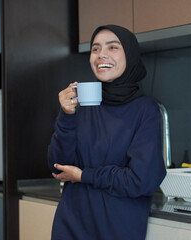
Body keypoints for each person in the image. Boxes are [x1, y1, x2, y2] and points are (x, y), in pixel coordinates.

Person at [48, 24, 166, 240]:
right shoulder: (81, 103)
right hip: (70, 227)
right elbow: (57, 166)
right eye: (95, 49)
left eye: (113, 47)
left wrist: (84, 175)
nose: (101, 54)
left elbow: (142, 180)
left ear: (129, 54)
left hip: (116, 230)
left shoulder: (145, 109)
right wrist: (66, 115)